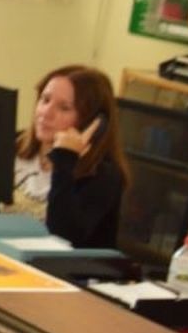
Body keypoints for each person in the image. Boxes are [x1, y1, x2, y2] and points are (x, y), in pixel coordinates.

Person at [8, 64, 129, 249]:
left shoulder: (105, 175)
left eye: (64, 108)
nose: (46, 113)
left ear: (92, 122)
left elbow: (62, 238)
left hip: (56, 272)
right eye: (45, 99)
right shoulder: (16, 144)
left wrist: (65, 159)